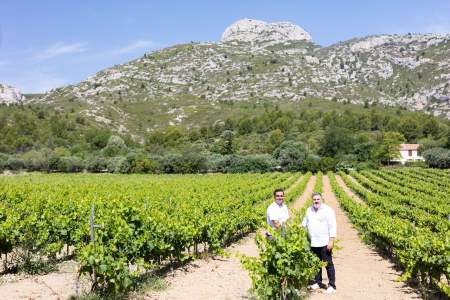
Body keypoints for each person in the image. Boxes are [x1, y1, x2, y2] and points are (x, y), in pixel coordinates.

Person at [302, 192, 337, 294]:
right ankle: (318, 282)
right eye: (314, 199)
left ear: (321, 199)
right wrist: (297, 227)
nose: (316, 201)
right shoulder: (309, 210)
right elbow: (305, 222)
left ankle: (332, 285)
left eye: (318, 199)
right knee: (316, 264)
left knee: (328, 264)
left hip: (324, 242)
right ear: (312, 200)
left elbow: (332, 226)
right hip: (313, 242)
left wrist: (331, 240)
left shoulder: (328, 210)